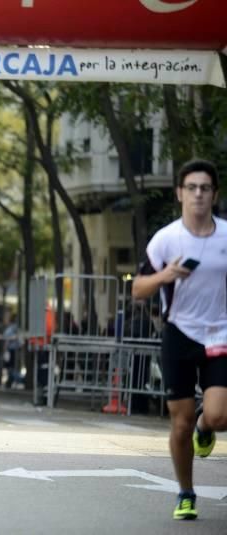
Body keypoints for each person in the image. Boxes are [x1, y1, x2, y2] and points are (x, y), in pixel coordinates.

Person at [131, 159, 227, 521]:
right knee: (181, 423)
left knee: (217, 416)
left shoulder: (225, 237)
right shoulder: (167, 239)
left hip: (220, 332)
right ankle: (185, 493)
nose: (198, 194)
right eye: (192, 188)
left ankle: (208, 425)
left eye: (205, 188)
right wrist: (167, 273)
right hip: (180, 333)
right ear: (180, 194)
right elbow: (138, 289)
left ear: (214, 194)